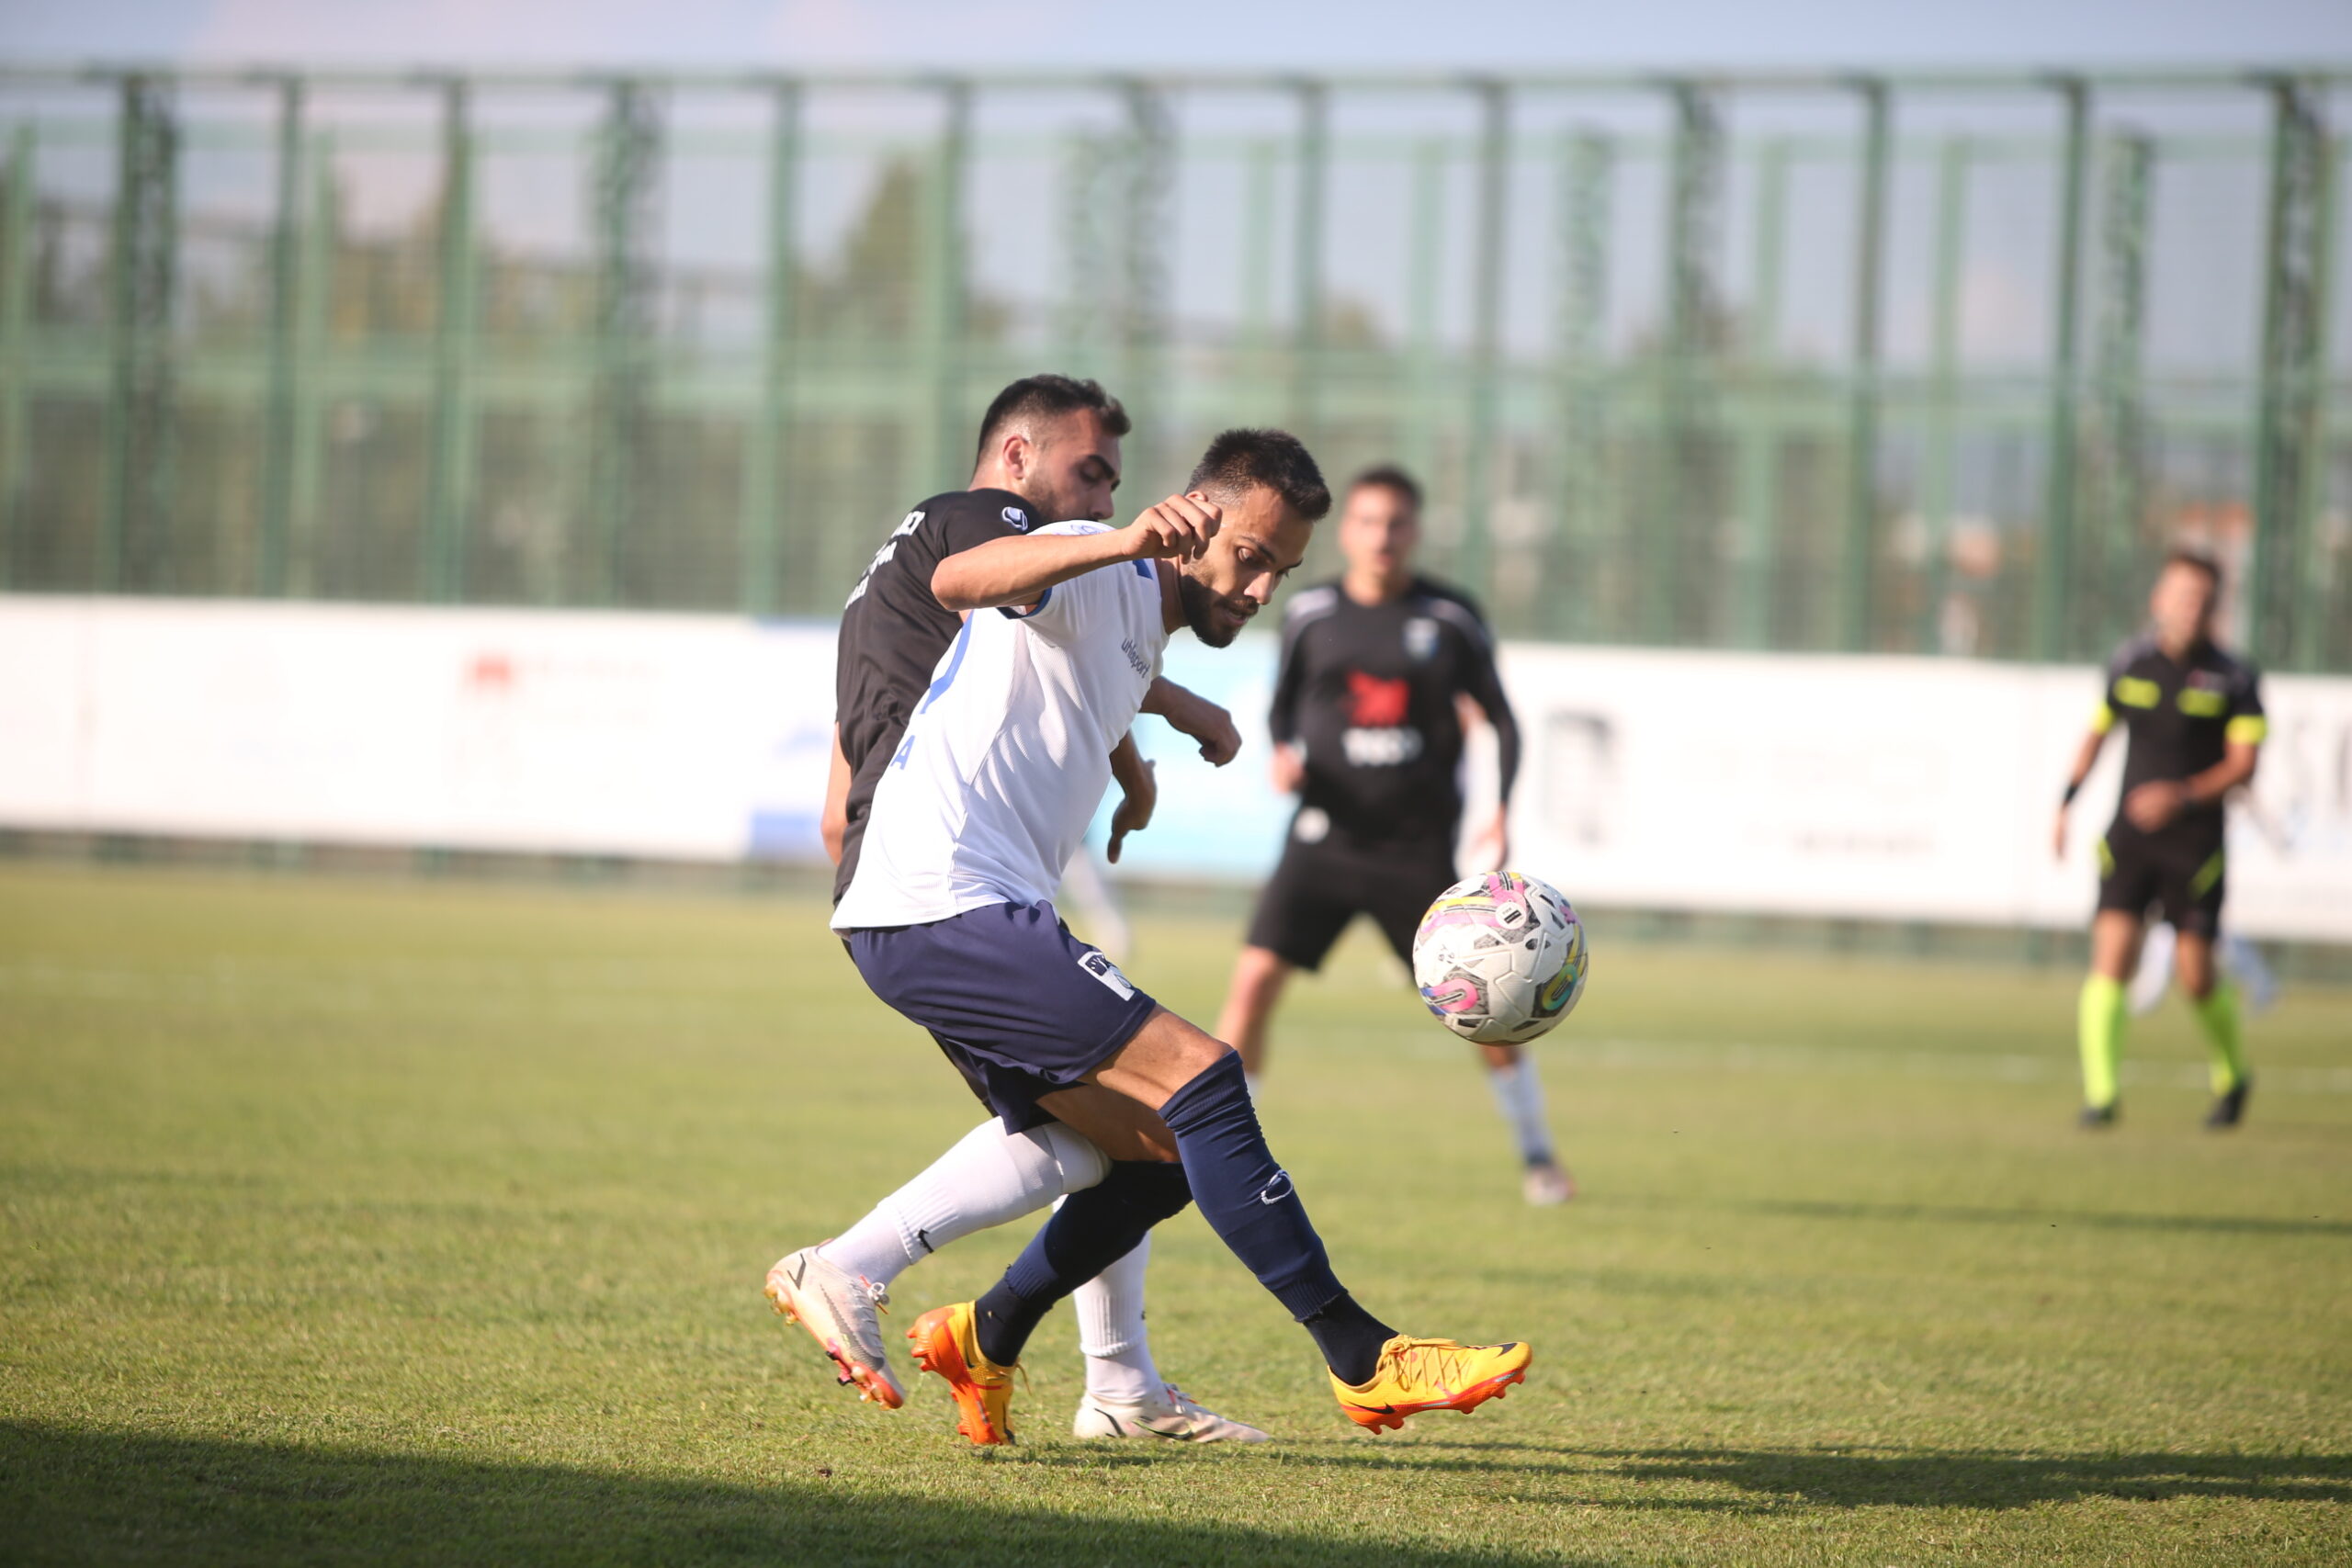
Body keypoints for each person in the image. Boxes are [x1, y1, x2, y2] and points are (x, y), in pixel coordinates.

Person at [834, 429, 1532, 1447]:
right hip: (937, 897)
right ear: (1192, 519)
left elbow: (1092, 667)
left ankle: (987, 1337)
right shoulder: (1099, 559)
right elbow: (963, 578)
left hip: (966, 904)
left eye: (1281, 572)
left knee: (1155, 1157)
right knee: (1204, 1077)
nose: (1258, 589)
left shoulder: (1142, 620)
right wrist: (1117, 538)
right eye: (1249, 556)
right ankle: (1360, 1354)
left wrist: (1150, 744)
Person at [768, 374, 1262, 1444]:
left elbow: (836, 801)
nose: (1101, 496)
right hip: (947, 881)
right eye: (1088, 471)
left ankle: (1119, 1384)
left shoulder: (889, 580)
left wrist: (1148, 732)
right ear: (1015, 460)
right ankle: (857, 1267)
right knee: (1135, 1112)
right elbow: (1000, 595)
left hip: (905, 879)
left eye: (1114, 482)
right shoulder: (980, 527)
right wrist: (1130, 555)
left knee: (1087, 1136)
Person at [1212, 466, 1569, 1204]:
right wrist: (1283, 752)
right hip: (1324, 838)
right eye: (1370, 521)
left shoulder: (1449, 617)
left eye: (1397, 522)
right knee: (1251, 984)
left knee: (1488, 1007)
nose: (1383, 536)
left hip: (1415, 853)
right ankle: (1220, 1152)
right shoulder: (1310, 610)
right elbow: (1282, 708)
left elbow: (1501, 717)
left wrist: (1499, 810)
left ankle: (1538, 1154)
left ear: (1416, 530)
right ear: (1347, 532)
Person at [2053, 548, 2267, 1130]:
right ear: (2158, 600)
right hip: (2131, 839)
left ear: (2215, 607)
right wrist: (2065, 804)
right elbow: (2096, 735)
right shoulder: (2130, 663)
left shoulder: (2236, 677)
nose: (2189, 607)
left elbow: (2244, 765)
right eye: (2180, 595)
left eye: (2201, 598)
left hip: (2195, 844)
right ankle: (2102, 1097)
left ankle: (2233, 1077)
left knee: (2195, 974)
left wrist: (2184, 795)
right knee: (2111, 960)